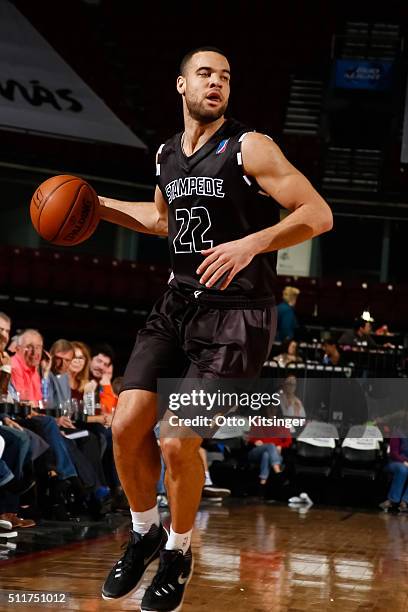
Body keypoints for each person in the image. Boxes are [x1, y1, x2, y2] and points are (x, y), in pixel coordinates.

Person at [98, 46, 332, 611]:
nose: (216, 83)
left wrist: (253, 242)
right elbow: (161, 218)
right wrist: (95, 204)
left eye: (225, 77)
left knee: (178, 441)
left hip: (239, 315)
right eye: (205, 74)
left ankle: (178, 552)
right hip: (177, 303)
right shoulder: (165, 154)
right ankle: (144, 531)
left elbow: (317, 213)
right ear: (180, 85)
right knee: (126, 424)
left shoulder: (249, 146)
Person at [379, 436, 408, 512]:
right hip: (395, 462)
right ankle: (392, 500)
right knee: (403, 469)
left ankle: (404, 502)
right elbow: (393, 454)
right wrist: (404, 462)